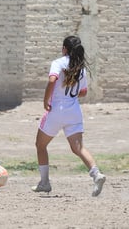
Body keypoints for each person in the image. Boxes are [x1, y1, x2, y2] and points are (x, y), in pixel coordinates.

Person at [31, 36, 106, 197]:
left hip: (56, 110)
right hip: (74, 112)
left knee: (40, 145)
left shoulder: (58, 63)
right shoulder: (82, 68)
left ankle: (44, 182)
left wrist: (46, 100)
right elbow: (84, 92)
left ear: (65, 48)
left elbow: (52, 80)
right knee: (78, 148)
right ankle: (96, 174)